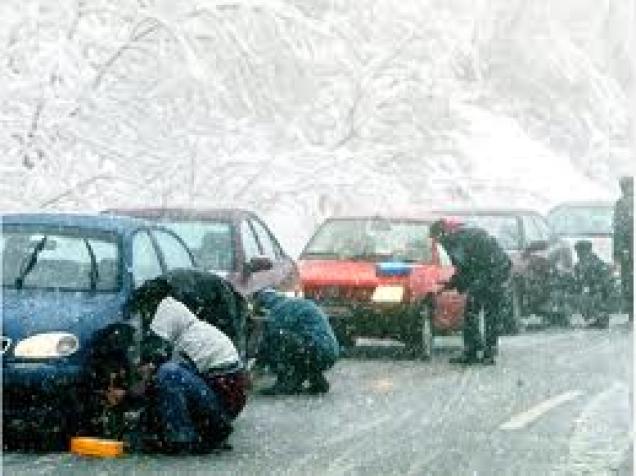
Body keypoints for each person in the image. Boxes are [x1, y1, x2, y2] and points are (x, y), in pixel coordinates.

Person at [107, 288, 248, 454]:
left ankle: (182, 439)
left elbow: (154, 384)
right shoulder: (195, 332)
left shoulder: (191, 341)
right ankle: (197, 434)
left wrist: (126, 396)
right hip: (218, 404)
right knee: (167, 376)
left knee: (168, 373)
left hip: (220, 410)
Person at [429, 218, 512, 365]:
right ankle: (481, 350)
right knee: (485, 312)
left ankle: (478, 351)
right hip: (496, 269)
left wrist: (448, 286)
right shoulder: (461, 237)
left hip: (493, 272)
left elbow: (463, 269)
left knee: (477, 311)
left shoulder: (454, 242)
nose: (435, 243)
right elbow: (465, 270)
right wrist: (450, 285)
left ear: (439, 235)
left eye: (434, 238)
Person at [254, 289, 339, 395]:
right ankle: (316, 379)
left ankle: (285, 382)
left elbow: (269, 340)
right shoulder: (295, 303)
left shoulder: (278, 310)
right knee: (299, 345)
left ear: (263, 306)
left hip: (315, 350)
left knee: (277, 339)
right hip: (329, 352)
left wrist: (258, 366)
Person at [572, 240, 612, 328]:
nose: (579, 255)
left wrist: (595, 287)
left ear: (588, 251)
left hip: (597, 291)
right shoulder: (578, 266)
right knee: (579, 298)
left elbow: (605, 280)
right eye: (578, 252)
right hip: (586, 292)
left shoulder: (597, 263)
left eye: (581, 252)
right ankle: (592, 318)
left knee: (595, 299)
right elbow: (577, 281)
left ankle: (600, 318)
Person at [613, 176, 633, 322]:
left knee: (628, 278)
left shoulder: (622, 204)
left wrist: (619, 250)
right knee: (628, 278)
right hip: (629, 249)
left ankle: (630, 308)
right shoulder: (622, 204)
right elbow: (619, 229)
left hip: (628, 249)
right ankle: (630, 308)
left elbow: (619, 229)